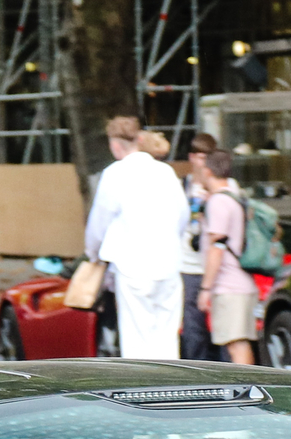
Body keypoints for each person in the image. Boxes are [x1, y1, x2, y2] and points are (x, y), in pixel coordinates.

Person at [81, 116, 189, 360]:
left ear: (115, 144)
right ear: (139, 139)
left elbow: (99, 223)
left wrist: (93, 253)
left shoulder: (114, 174)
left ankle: (142, 390)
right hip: (169, 262)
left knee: (137, 336)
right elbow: (182, 216)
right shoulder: (166, 172)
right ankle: (170, 388)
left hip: (133, 265)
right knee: (167, 334)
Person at [196, 150, 258, 366]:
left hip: (229, 286)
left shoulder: (219, 202)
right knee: (237, 344)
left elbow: (217, 248)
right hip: (241, 283)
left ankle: (250, 392)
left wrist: (206, 288)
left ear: (207, 171)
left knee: (236, 346)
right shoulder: (234, 197)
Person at [179, 132, 219, 359]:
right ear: (192, 157)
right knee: (192, 329)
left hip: (217, 266)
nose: (203, 164)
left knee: (221, 331)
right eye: (200, 157)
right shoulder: (182, 186)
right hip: (188, 266)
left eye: (208, 158)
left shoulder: (224, 185)